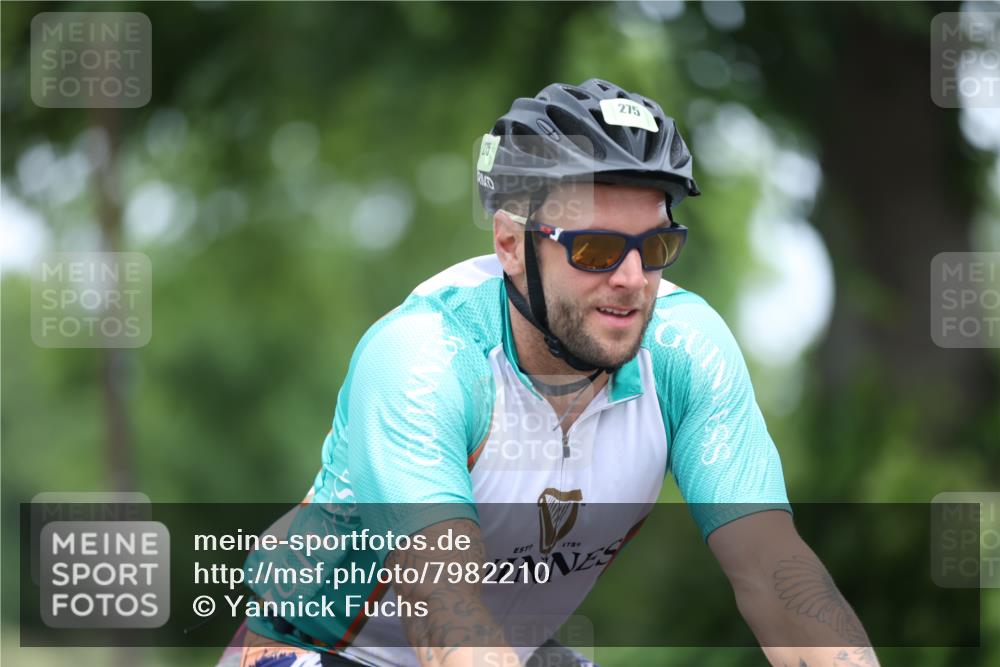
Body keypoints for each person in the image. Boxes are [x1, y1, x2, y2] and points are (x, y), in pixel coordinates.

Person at [222, 78, 880, 667]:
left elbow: (773, 570)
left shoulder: (687, 350)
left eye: (655, 246)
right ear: (511, 244)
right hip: (324, 647)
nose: (632, 279)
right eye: (595, 248)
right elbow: (443, 606)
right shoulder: (423, 358)